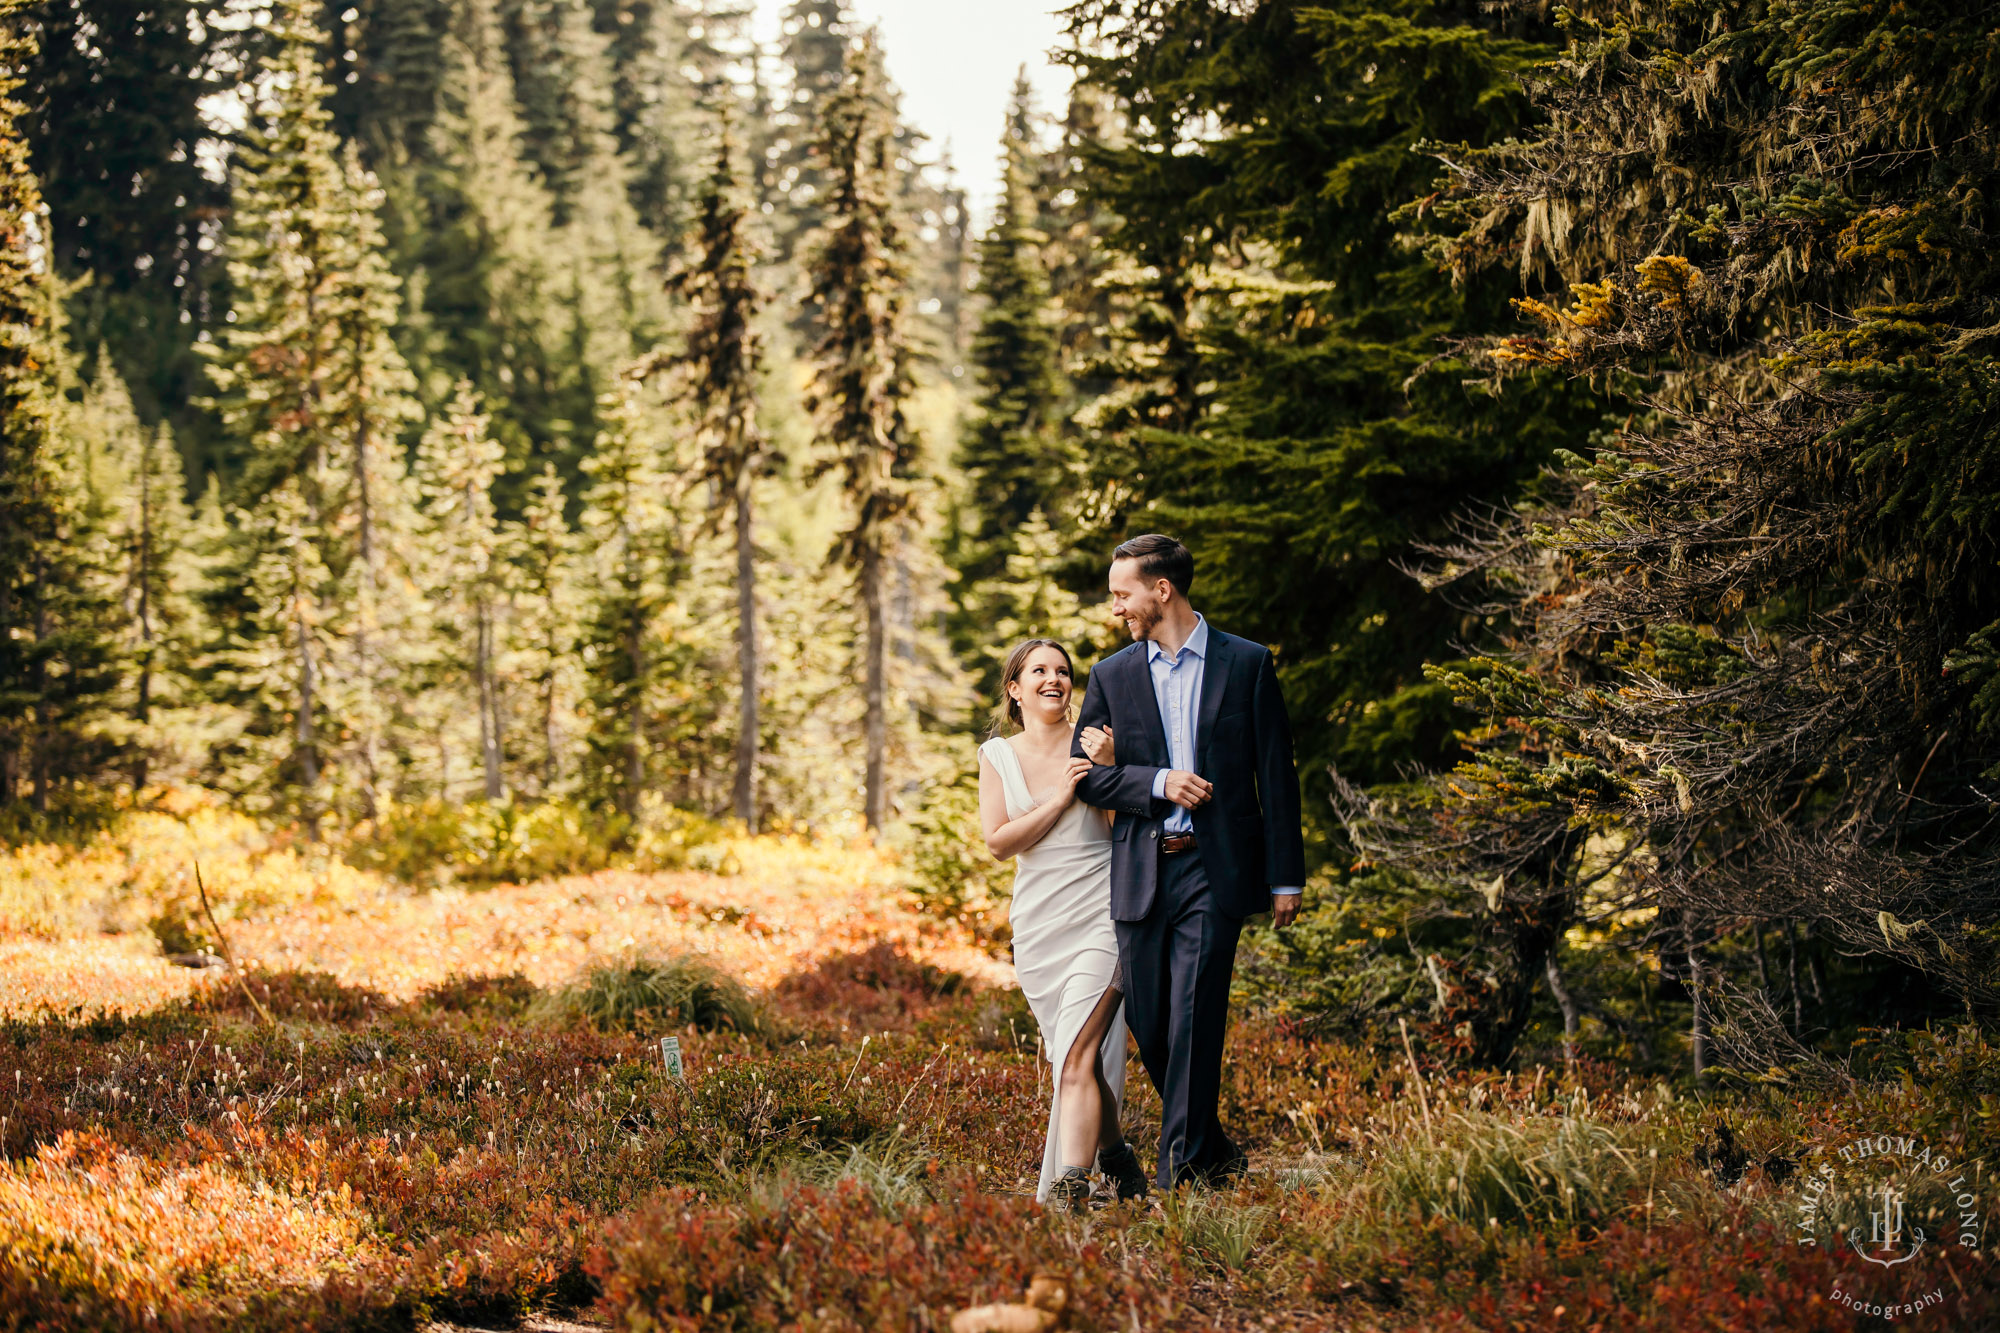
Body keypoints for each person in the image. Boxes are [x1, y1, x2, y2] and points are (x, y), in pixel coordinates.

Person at [1070, 533, 1306, 1191]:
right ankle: (1213, 1147)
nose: (1116, 607)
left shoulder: (1247, 663)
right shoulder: (1112, 675)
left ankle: (1179, 1175)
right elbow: (1085, 777)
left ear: (1161, 589)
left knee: (1195, 1010)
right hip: (1142, 870)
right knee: (1151, 1020)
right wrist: (1155, 781)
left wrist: (1286, 874)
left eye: (1123, 593)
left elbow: (1275, 774)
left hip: (1217, 867)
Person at [977, 638, 1148, 1211]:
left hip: (1103, 911)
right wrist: (1056, 799)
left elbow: (1117, 825)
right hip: (1039, 922)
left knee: (1076, 1052)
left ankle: (1070, 1185)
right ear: (1015, 688)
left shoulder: (1095, 744)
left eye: (1063, 671)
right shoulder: (997, 755)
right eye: (1040, 671)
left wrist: (1105, 769)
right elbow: (1000, 843)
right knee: (1070, 1054)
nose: (1055, 679)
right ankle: (1119, 1158)